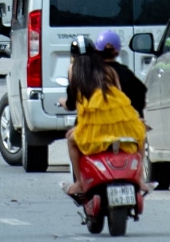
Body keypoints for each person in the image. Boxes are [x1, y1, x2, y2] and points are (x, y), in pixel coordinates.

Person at [58, 36, 151, 196]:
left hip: (93, 125)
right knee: (139, 135)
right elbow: (120, 94)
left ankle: (80, 183)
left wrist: (63, 102)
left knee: (72, 141)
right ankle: (140, 179)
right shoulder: (108, 69)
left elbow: (72, 102)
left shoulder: (73, 70)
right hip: (120, 119)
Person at [94, 29, 147, 117]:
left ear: (97, 50)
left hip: (93, 125)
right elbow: (140, 96)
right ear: (117, 51)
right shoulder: (125, 74)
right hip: (121, 123)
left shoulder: (89, 73)